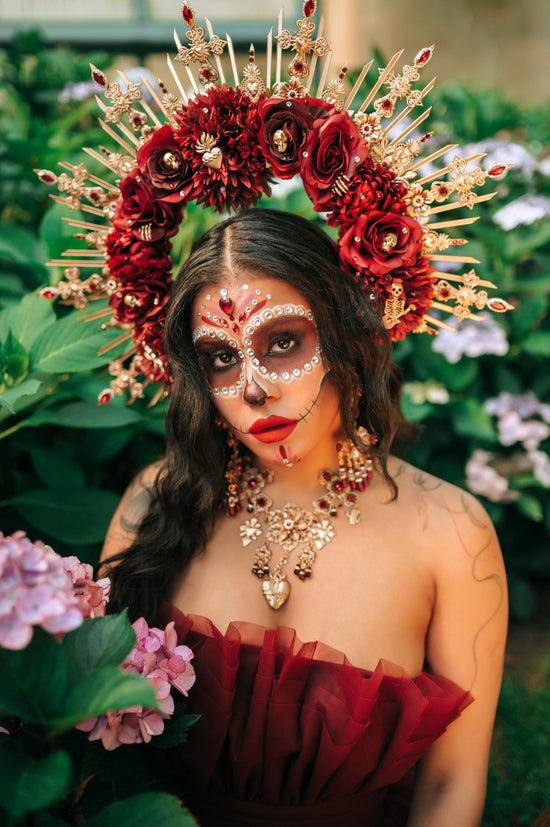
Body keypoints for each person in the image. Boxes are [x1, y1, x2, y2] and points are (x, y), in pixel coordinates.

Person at [100, 208, 508, 826]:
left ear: (347, 328)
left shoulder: (453, 534)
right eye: (220, 357)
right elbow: (97, 745)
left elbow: (451, 783)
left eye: (284, 341)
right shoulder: (154, 504)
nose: (254, 389)